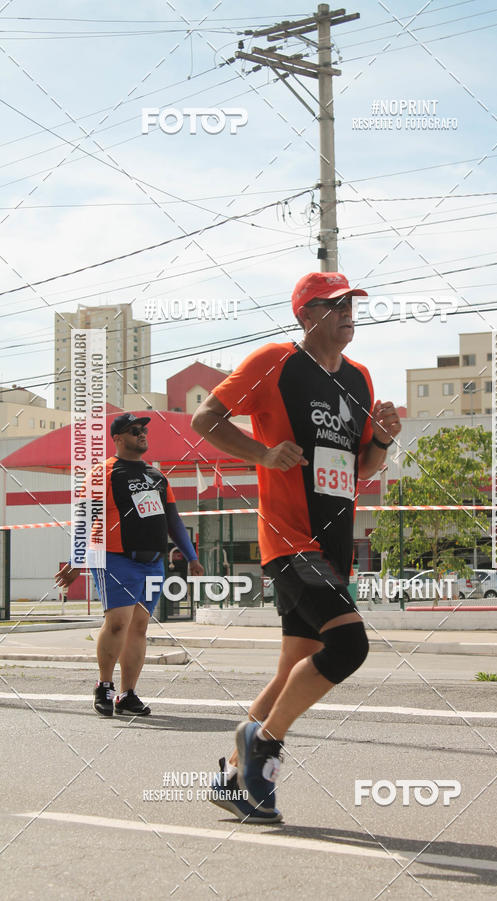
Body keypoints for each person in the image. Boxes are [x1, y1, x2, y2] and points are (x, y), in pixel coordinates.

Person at [192, 271, 401, 823]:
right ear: (306, 315)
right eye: (337, 306)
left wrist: (381, 437)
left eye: (353, 304)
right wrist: (261, 455)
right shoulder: (273, 362)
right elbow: (204, 419)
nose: (349, 314)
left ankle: (234, 777)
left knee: (295, 666)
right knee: (349, 646)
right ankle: (264, 745)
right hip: (288, 539)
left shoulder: (360, 379)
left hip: (333, 543)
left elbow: (362, 468)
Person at [55, 413, 203, 717]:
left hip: (152, 562)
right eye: (135, 431)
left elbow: (173, 519)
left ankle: (127, 694)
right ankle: (104, 687)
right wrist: (75, 561)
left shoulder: (158, 476)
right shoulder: (101, 474)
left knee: (139, 626)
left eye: (144, 430)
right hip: (113, 557)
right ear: (118, 438)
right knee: (119, 622)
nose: (142, 434)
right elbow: (84, 520)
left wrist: (192, 556)